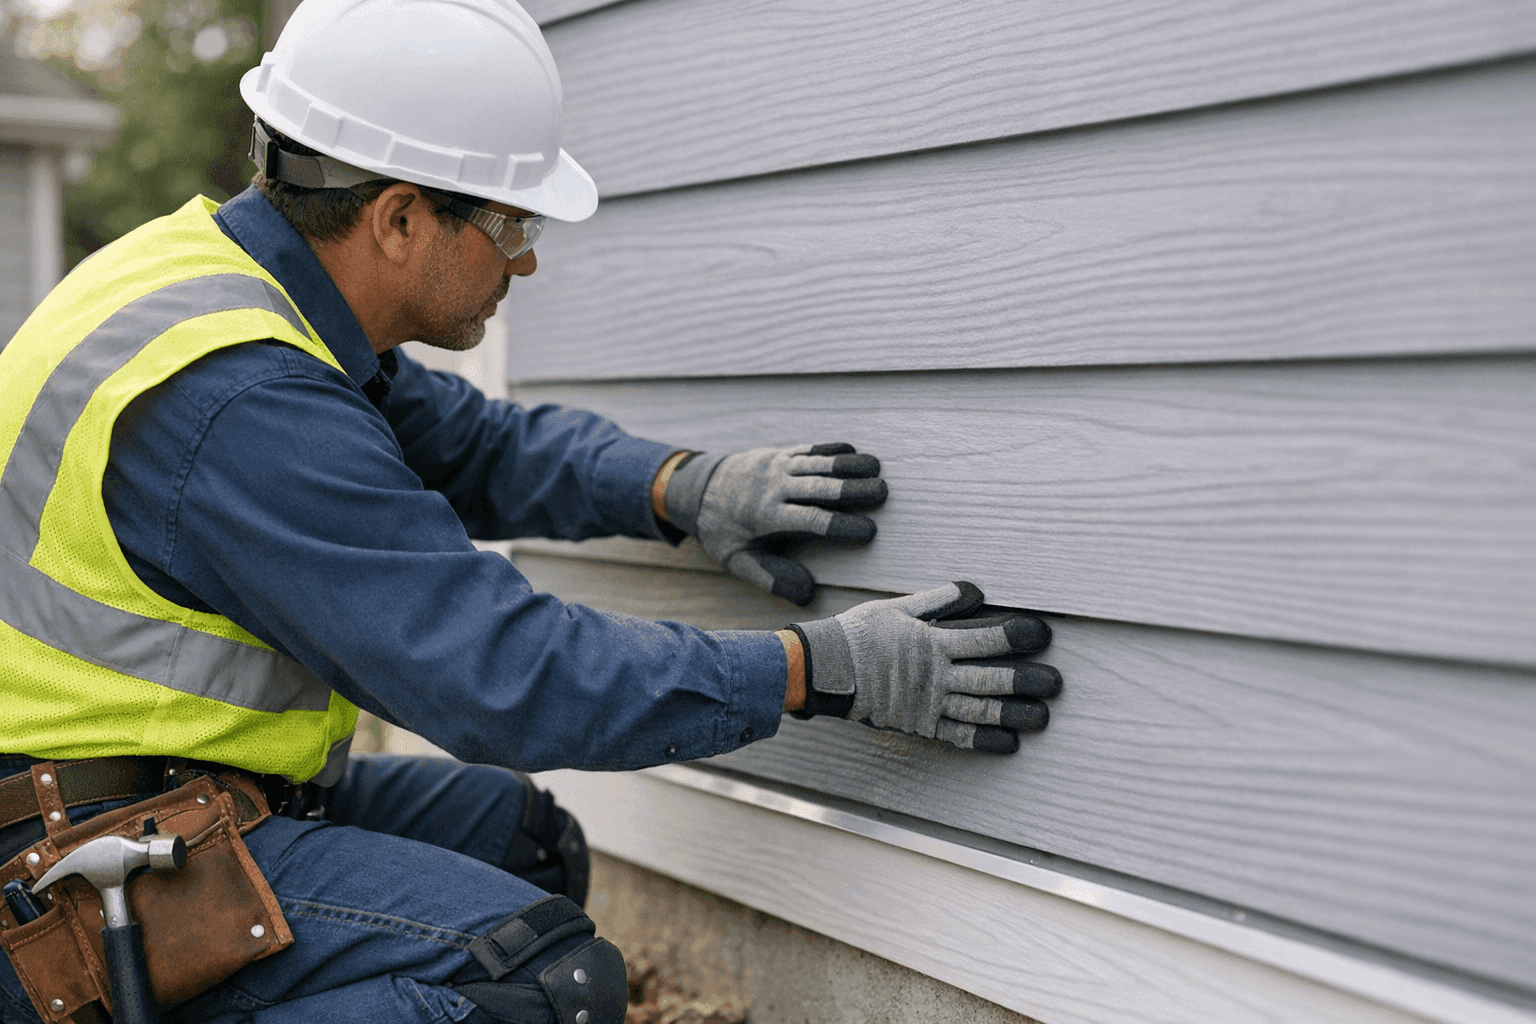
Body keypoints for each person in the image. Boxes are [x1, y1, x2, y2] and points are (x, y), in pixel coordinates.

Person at [0, 1, 1062, 1022]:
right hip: (72, 876)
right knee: (536, 984)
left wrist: (681, 487)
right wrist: (816, 667)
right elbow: (503, 675)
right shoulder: (244, 401)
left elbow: (476, 444)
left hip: (159, 805)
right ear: (402, 216)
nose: (527, 258)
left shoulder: (232, 296)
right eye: (509, 222)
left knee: (518, 843)